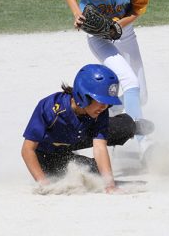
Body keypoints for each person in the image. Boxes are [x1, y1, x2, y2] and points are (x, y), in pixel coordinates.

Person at [62, 0, 154, 157]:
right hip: (99, 38)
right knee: (130, 82)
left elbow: (138, 9)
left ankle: (109, 113)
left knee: (140, 96)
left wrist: (117, 26)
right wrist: (77, 14)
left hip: (125, 34)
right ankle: (145, 146)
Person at [21, 64, 136, 193]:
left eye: (108, 102)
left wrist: (110, 185)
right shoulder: (50, 108)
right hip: (49, 153)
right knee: (92, 172)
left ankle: (137, 126)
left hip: (80, 136)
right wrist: (43, 183)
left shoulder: (101, 110)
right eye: (101, 101)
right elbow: (27, 150)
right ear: (83, 96)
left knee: (127, 127)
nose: (105, 106)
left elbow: (99, 146)